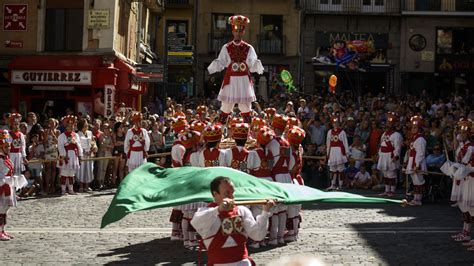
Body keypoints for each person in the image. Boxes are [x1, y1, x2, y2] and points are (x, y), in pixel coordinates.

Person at [190, 176, 274, 265]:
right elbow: (196, 222)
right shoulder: (206, 213)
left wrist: (265, 212)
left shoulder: (242, 211)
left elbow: (258, 235)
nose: (232, 197)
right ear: (215, 194)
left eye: (232, 193)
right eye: (227, 193)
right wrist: (218, 209)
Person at [207, 15, 264, 124]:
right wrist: (211, 69)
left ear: (243, 33)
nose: (238, 33)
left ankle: (247, 135)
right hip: (231, 80)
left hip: (244, 81)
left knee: (246, 108)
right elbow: (221, 61)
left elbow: (252, 63)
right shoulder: (226, 47)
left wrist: (259, 68)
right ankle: (220, 131)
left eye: (240, 32)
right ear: (233, 32)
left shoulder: (249, 48)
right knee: (226, 108)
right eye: (236, 31)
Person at [267, 114, 292, 245]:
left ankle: (273, 238)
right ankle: (281, 237)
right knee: (283, 209)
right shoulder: (288, 143)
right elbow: (291, 163)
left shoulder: (271, 143)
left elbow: (269, 162)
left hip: (276, 176)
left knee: (276, 209)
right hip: (286, 177)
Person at [0, 130, 27, 240]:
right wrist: (6, 181)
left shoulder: (6, 158)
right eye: (6, 147)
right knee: (1, 209)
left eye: (9, 146)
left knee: (5, 210)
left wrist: (15, 179)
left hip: (8, 185)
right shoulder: (0, 159)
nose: (9, 149)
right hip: (2, 187)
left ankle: (2, 230)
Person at [377, 112, 403, 197]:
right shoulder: (383, 134)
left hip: (391, 156)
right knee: (385, 174)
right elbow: (381, 145)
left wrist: (396, 156)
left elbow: (397, 147)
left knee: (392, 174)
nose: (387, 125)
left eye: (389, 123)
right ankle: (387, 190)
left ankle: (392, 191)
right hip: (383, 156)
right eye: (387, 123)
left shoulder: (396, 135)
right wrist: (379, 155)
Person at [287, 126, 306, 242]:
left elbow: (289, 168)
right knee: (295, 209)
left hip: (292, 180)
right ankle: (294, 232)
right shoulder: (299, 150)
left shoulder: (292, 153)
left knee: (291, 209)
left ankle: (291, 233)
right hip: (298, 180)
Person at [404, 116, 427, 206]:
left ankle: (419, 199)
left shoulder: (420, 139)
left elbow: (420, 153)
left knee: (419, 181)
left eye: (415, 128)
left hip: (418, 163)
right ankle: (416, 198)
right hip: (412, 160)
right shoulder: (414, 138)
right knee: (415, 180)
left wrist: (417, 165)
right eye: (412, 127)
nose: (413, 129)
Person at [57, 115, 83, 196]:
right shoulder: (62, 136)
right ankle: (63, 190)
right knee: (64, 173)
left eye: (73, 125)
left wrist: (80, 155)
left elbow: (79, 145)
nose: (72, 127)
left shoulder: (76, 135)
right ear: (66, 126)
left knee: (71, 174)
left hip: (73, 156)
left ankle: (71, 189)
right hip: (66, 156)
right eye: (70, 126)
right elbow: (60, 146)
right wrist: (64, 155)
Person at [326, 113, 350, 191]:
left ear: (339, 123)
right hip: (332, 151)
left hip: (339, 151)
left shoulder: (342, 132)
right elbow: (328, 143)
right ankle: (332, 184)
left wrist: (347, 153)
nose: (335, 124)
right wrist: (327, 153)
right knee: (332, 169)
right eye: (334, 123)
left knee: (340, 169)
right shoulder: (330, 132)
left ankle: (340, 185)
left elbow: (345, 142)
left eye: (336, 123)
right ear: (332, 124)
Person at [76, 119, 97, 193]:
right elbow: (77, 144)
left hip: (89, 154)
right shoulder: (78, 134)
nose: (87, 125)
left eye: (87, 124)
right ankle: (81, 186)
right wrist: (82, 152)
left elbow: (93, 142)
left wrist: (93, 148)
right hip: (82, 154)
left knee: (89, 169)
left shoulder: (90, 133)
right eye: (85, 124)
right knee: (82, 170)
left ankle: (87, 186)